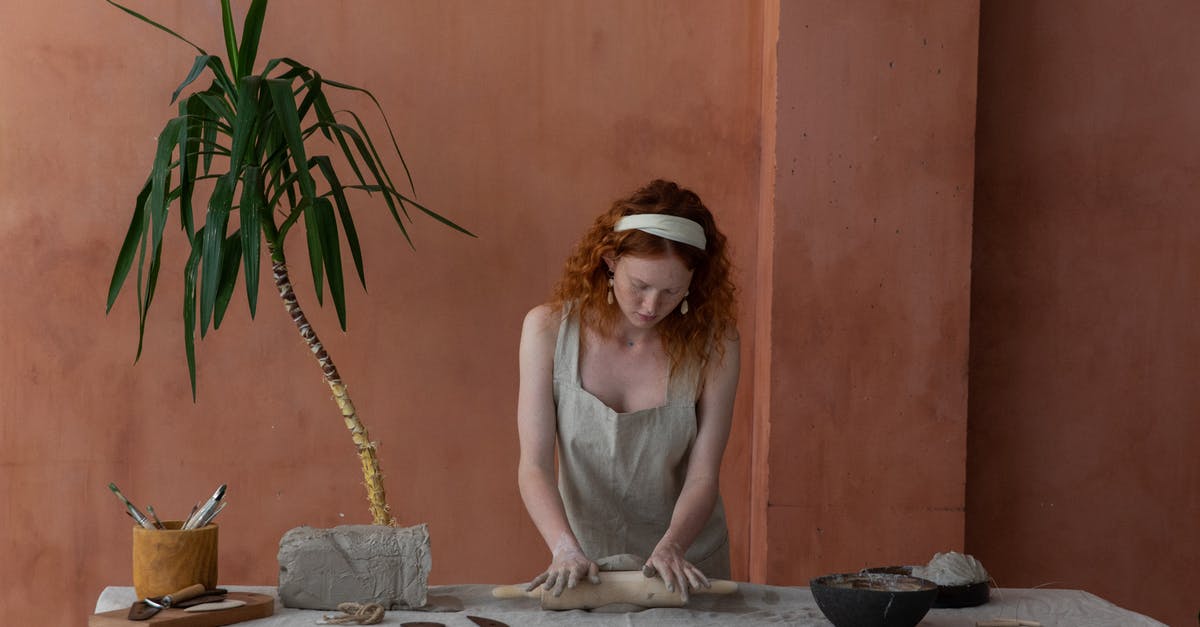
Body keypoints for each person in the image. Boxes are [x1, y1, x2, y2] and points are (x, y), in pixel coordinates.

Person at [517, 179, 740, 603]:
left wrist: (673, 544)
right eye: (640, 285)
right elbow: (534, 466)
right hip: (586, 566)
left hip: (685, 566)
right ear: (609, 261)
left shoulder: (717, 345)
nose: (652, 306)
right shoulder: (546, 331)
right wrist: (563, 547)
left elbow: (703, 474)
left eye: (672, 290)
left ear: (695, 281)